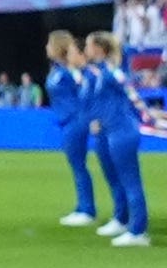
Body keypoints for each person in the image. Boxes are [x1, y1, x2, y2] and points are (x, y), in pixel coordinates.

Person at [85, 30, 149, 248]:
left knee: (131, 182)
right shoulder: (102, 72)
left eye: (89, 46)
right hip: (113, 130)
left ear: (99, 49)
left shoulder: (112, 72)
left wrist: (147, 116)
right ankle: (125, 221)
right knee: (122, 180)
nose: (86, 50)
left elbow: (132, 93)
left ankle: (138, 231)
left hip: (123, 131)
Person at [47, 29, 99, 227]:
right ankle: (82, 206)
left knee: (79, 165)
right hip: (67, 121)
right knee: (76, 165)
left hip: (76, 120)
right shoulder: (57, 71)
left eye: (50, 44)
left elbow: (87, 91)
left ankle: (87, 209)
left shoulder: (71, 72)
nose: (47, 48)